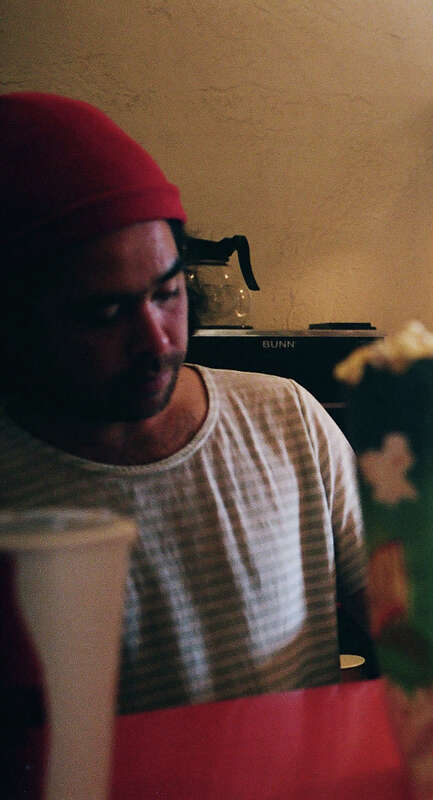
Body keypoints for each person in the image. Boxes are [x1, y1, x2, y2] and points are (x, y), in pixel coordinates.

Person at [0, 92, 370, 714]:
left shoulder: (289, 419)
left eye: (167, 293)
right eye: (104, 312)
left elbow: (409, 613)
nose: (157, 341)